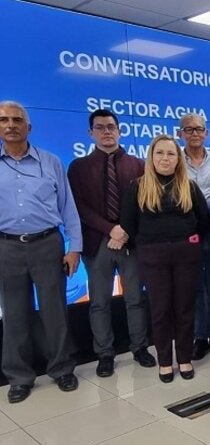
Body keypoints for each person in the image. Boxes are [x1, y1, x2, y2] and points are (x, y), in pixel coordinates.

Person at [0, 101, 82, 403]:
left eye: (17, 120)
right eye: (4, 120)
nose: (11, 125)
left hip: (47, 244)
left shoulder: (51, 162)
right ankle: (19, 377)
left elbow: (68, 207)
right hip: (7, 246)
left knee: (54, 311)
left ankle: (62, 369)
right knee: (14, 314)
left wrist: (75, 248)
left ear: (28, 127)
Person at [67, 108, 155, 378]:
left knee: (135, 299)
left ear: (119, 131)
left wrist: (125, 230)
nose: (106, 132)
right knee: (99, 302)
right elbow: (78, 207)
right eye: (100, 127)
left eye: (111, 127)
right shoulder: (78, 167)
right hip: (97, 243)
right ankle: (104, 353)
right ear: (90, 132)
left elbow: (144, 203)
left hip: (130, 242)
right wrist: (110, 229)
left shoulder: (138, 165)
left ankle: (140, 347)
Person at [120, 135, 210, 383]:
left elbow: (204, 222)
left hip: (186, 256)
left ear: (178, 159)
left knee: (184, 309)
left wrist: (189, 243)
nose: (165, 158)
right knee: (160, 310)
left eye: (171, 154)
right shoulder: (137, 187)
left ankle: (184, 358)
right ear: (151, 156)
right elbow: (128, 224)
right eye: (159, 153)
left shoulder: (189, 186)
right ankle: (165, 361)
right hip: (152, 257)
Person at [177, 113, 210, 361]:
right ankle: (200, 336)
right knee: (194, 287)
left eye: (199, 129)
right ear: (180, 134)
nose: (194, 134)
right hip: (187, 232)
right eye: (189, 130)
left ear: (206, 133)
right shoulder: (175, 160)